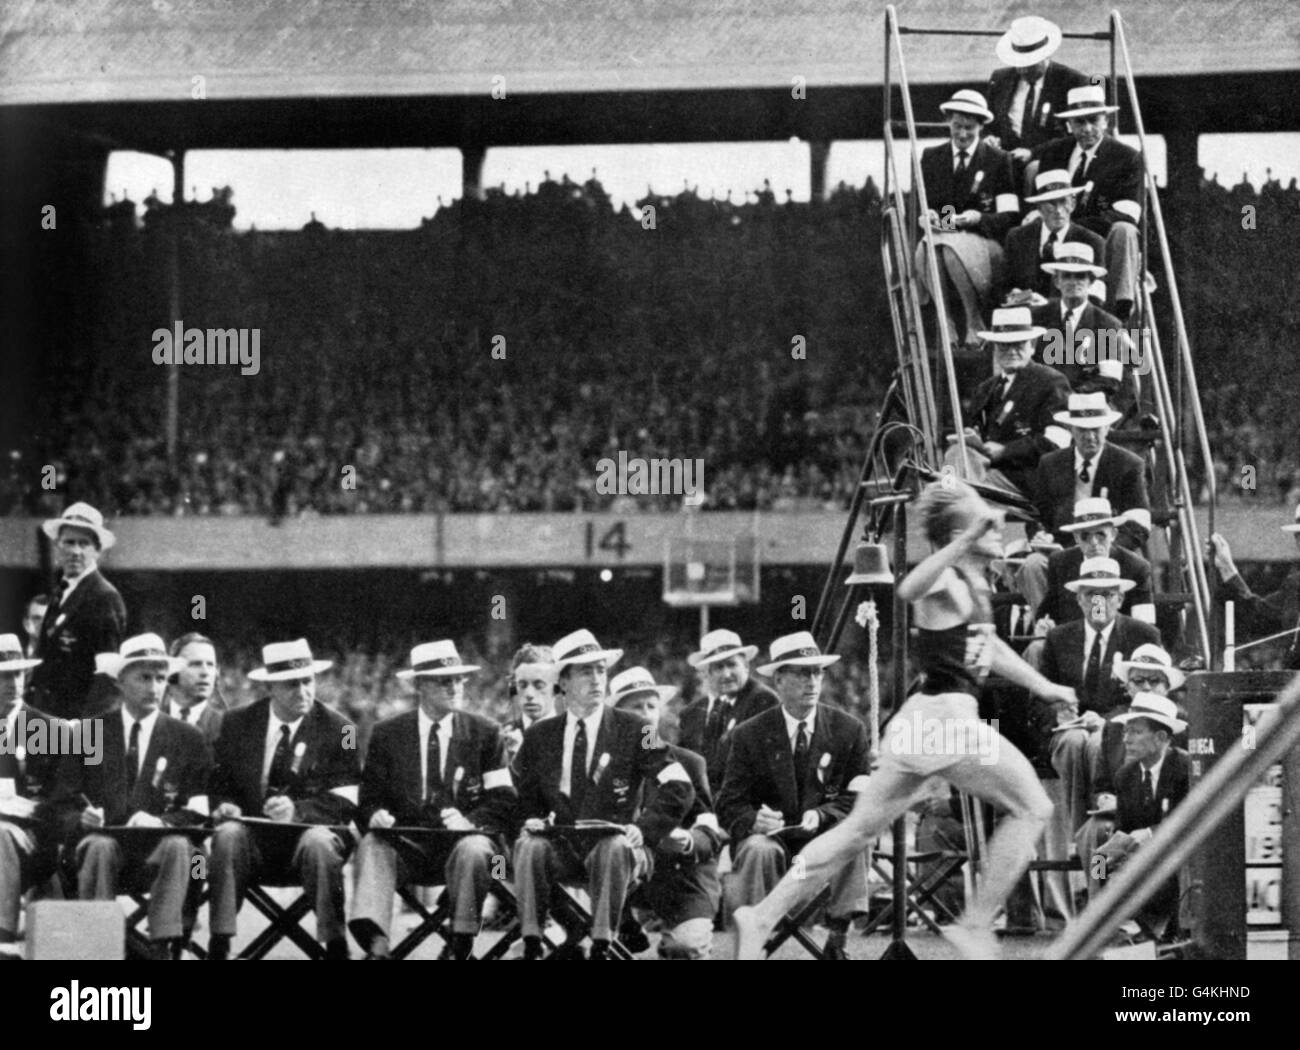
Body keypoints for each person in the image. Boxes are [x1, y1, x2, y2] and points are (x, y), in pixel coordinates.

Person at [733, 481, 1078, 959]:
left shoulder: (973, 586)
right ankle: (976, 923)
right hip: (945, 718)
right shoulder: (945, 580)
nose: (997, 527)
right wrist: (961, 540)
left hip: (924, 722)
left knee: (855, 832)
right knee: (1033, 808)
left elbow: (988, 649)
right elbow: (908, 587)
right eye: (985, 520)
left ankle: (763, 914)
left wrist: (1045, 687)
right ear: (962, 531)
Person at [511, 629, 694, 960]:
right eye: (585, 671)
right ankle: (532, 941)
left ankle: (602, 945)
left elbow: (679, 785)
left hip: (620, 847)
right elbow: (526, 800)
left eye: (600, 670)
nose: (597, 679)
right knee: (528, 844)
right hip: (563, 848)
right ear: (563, 683)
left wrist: (646, 827)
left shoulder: (637, 729)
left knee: (613, 846)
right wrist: (532, 819)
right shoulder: (540, 736)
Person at [350, 641, 516, 960]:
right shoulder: (387, 734)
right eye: (443, 680)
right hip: (406, 845)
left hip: (460, 845)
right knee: (372, 844)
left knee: (476, 848)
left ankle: (459, 944)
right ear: (419, 685)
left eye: (458, 679)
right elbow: (367, 798)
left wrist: (470, 822)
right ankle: (376, 946)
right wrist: (376, 815)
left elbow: (504, 800)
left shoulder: (486, 733)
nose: (454, 686)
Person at [53, 634, 211, 960]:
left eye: (160, 678)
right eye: (144, 677)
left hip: (159, 851)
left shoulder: (188, 738)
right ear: (120, 681)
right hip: (101, 847)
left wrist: (163, 821)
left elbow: (199, 810)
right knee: (99, 846)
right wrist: (81, 819)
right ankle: (101, 947)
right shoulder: (88, 733)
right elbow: (61, 803)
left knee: (179, 845)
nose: (154, 687)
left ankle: (162, 948)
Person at [717, 631, 872, 959]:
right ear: (779, 681)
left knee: (852, 839)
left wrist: (824, 815)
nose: (812, 681)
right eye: (802, 673)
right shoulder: (749, 734)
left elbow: (859, 797)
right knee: (757, 849)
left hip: (823, 843)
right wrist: (754, 820)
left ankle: (837, 938)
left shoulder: (849, 729)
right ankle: (753, 942)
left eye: (817, 672)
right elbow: (729, 804)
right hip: (774, 844)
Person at [207, 638, 360, 960]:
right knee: (227, 835)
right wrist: (225, 804)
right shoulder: (237, 723)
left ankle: (336, 946)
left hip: (309, 840)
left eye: (308, 682)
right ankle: (218, 944)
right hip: (253, 841)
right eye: (292, 685)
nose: (303, 692)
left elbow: (347, 798)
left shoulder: (341, 730)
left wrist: (298, 811)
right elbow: (219, 783)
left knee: (319, 842)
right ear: (271, 688)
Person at [1039, 557, 1161, 835]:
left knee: (1097, 744)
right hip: (1069, 728)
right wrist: (1058, 716)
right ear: (1079, 600)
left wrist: (1106, 721)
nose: (1098, 602)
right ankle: (1079, 833)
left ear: (1119, 599)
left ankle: (1100, 829)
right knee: (1072, 743)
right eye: (1091, 594)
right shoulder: (1058, 638)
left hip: (1118, 727)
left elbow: (1151, 695)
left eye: (1106, 594)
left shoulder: (1143, 635)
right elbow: (1040, 698)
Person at [610, 667, 722, 960]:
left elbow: (711, 832)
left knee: (685, 948)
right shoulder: (604, 766)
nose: (646, 714)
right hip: (626, 886)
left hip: (683, 883)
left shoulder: (689, 763)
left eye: (651, 705)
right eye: (636, 707)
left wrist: (687, 840)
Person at [915, 90, 1021, 347]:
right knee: (929, 247)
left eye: (970, 128)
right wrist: (926, 214)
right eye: (957, 126)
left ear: (982, 127)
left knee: (948, 250)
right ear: (948, 122)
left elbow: (1010, 215)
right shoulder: (931, 157)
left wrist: (978, 218)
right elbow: (923, 204)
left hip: (983, 242)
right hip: (942, 236)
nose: (962, 134)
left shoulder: (998, 160)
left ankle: (974, 319)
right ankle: (947, 320)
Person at [1031, 85, 1143, 320]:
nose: (1087, 129)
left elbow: (1127, 212)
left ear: (1106, 121)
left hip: (1101, 236)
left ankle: (1118, 312)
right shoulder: (1054, 153)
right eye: (1079, 122)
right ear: (1069, 125)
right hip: (1057, 233)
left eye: (1094, 120)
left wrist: (1075, 226)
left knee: (1126, 230)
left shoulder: (1127, 157)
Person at [1091, 693, 1190, 938]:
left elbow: (1188, 823)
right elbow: (1123, 827)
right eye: (1125, 732)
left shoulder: (1186, 769)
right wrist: (1106, 862)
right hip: (1142, 858)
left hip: (1176, 856)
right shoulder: (1125, 775)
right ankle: (1105, 919)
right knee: (1099, 860)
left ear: (1161, 738)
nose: (1126, 739)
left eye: (1135, 732)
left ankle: (1173, 933)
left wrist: (1148, 834)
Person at [947, 306, 1071, 495]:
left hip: (1029, 478)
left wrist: (1005, 451)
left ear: (1032, 346)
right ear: (994, 348)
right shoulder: (986, 389)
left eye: (1019, 344)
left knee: (959, 486)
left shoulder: (1051, 382)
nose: (1011, 352)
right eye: (1004, 345)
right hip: (986, 470)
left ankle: (949, 506)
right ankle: (949, 501)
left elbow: (1056, 443)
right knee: (956, 455)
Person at [27, 503, 127, 719]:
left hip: (75, 728)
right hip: (46, 721)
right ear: (57, 546)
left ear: (97, 550)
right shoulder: (61, 591)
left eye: (84, 543)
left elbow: (107, 680)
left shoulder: (104, 597)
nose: (75, 551)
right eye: (69, 543)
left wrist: (85, 733)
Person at [0, 634, 60, 948]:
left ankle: (3, 936)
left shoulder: (53, 731)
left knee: (3, 834)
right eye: (3, 675)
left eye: (18, 673)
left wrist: (26, 811)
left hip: (35, 840)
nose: (13, 682)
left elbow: (64, 798)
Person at [1033, 392, 1151, 551]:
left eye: (1096, 429)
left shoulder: (1128, 465)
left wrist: (1103, 551)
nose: (1089, 436)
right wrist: (1041, 535)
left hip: (1108, 552)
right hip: (1060, 552)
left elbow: (1138, 524)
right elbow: (1038, 515)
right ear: (1071, 429)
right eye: (1082, 429)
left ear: (1108, 428)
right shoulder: (1050, 463)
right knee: (1033, 564)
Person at [1019, 497, 1153, 624]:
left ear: (1113, 534)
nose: (1094, 542)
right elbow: (1048, 612)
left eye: (1100, 534)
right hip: (1071, 642)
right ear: (1076, 538)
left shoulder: (1137, 568)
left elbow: (1146, 625)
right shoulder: (1060, 563)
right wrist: (1045, 624)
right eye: (1086, 536)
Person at [1032, 242, 1135, 407]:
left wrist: (1069, 398)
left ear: (1091, 281)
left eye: (1080, 276)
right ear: (1057, 281)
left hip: (1085, 405)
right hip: (1041, 404)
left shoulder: (1108, 325)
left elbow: (1108, 379)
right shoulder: (1037, 317)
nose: (1073, 282)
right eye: (1066, 275)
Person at [678, 628, 777, 794]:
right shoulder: (691, 713)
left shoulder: (763, 701)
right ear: (707, 672)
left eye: (732, 664)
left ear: (746, 666)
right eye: (718, 667)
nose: (726, 674)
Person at [984, 17, 1090, 159]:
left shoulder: (1072, 82)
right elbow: (986, 122)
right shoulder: (1000, 79)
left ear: (1047, 55)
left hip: (1051, 158)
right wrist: (989, 137)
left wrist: (1034, 153)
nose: (1023, 70)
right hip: (1004, 158)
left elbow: (1077, 133)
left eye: (1030, 64)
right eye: (1018, 63)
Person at [1209, 509, 1300, 669]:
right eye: (1297, 536)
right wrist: (1227, 567)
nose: (1298, 541)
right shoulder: (1295, 583)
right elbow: (1259, 613)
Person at [1001, 170, 1105, 305]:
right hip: (1026, 316)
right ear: (1039, 207)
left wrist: (1048, 305)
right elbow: (1002, 288)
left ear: (1073, 204)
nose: (1058, 210)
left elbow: (1095, 299)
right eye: (1051, 203)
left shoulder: (1092, 242)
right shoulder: (1017, 237)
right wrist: (1020, 297)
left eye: (1063, 202)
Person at [161, 633, 227, 745]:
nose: (205, 673)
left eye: (210, 665)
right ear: (173, 671)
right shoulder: (150, 719)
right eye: (196, 664)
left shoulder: (226, 727)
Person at [502, 643, 558, 768]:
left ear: (557, 688)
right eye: (522, 685)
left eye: (539, 685)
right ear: (514, 688)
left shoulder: (573, 733)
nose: (529, 694)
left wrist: (520, 756)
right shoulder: (500, 737)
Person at [21, 596, 48, 660]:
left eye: (48, 618)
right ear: (26, 624)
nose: (44, 623)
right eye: (37, 618)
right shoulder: (13, 660)